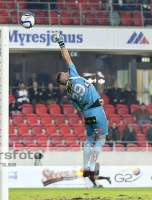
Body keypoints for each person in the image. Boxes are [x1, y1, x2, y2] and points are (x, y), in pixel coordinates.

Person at [54, 32, 108, 185]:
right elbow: (67, 57)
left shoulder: (69, 93)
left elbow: (77, 110)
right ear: (65, 78)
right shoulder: (74, 75)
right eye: (64, 73)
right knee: (101, 140)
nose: (66, 72)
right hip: (96, 110)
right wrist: (60, 42)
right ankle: (91, 167)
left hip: (87, 113)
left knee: (89, 139)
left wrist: (89, 101)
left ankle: (85, 167)